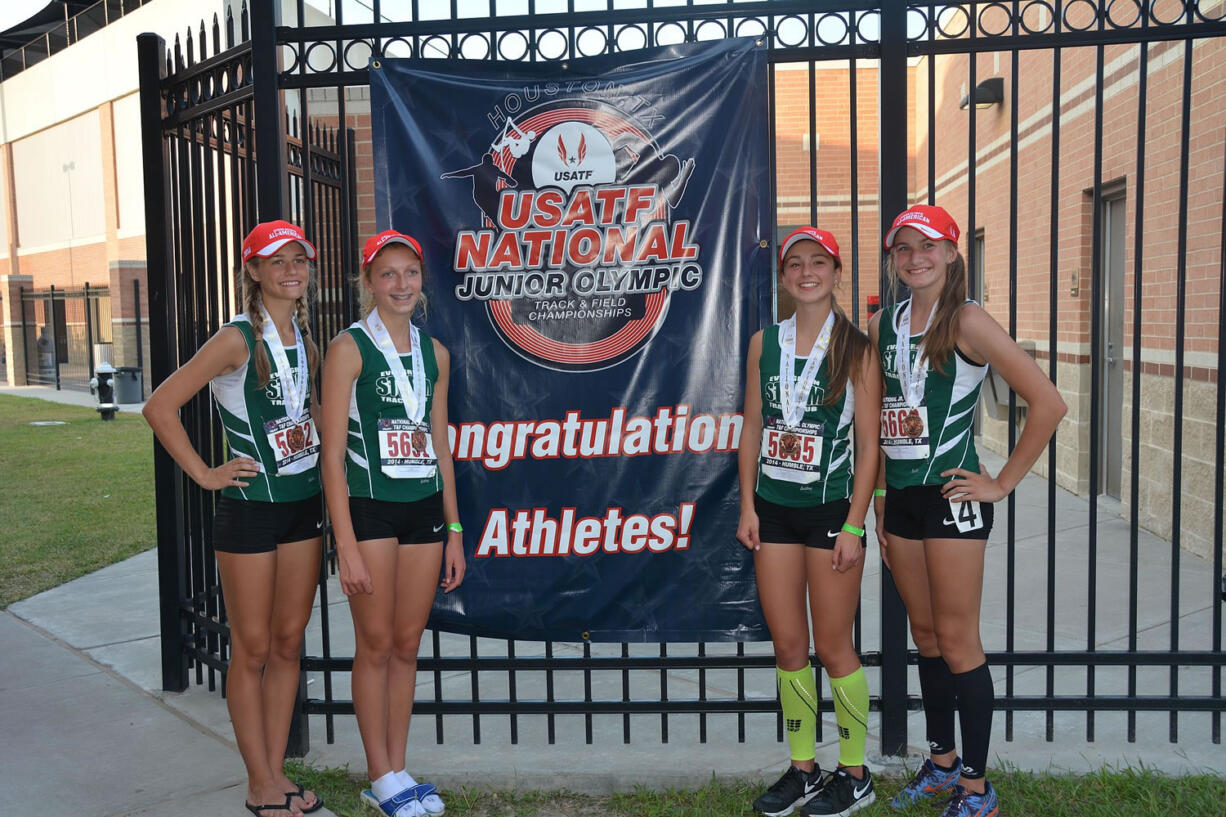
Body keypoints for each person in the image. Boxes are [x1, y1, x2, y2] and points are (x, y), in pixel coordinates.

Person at [871, 205, 1066, 817]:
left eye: (928, 246)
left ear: (953, 253)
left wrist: (1002, 482)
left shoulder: (968, 321)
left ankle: (977, 790)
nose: (915, 258)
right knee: (924, 635)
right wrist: (877, 501)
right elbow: (878, 422)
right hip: (901, 499)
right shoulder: (885, 324)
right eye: (903, 248)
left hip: (952, 498)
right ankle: (942, 762)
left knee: (957, 641)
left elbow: (1048, 402)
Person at [143, 221, 326, 817]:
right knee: (251, 649)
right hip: (249, 512)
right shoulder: (236, 339)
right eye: (277, 262)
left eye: (298, 260)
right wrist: (205, 473)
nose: (290, 271)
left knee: (288, 644)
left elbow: (313, 419)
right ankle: (258, 784)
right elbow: (159, 405)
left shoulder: (306, 339)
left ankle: (275, 775)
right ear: (252, 271)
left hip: (301, 509)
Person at [320, 230, 466, 817]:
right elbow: (331, 455)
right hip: (371, 511)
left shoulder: (436, 355)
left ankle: (398, 769)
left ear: (421, 281)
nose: (400, 284)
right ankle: (378, 775)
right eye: (388, 274)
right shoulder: (349, 348)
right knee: (375, 644)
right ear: (369, 282)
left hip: (425, 510)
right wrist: (345, 544)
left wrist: (454, 531)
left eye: (410, 273)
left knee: (407, 644)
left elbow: (440, 445)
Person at [738, 227, 882, 816]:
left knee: (833, 645)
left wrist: (854, 525)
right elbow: (752, 427)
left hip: (830, 513)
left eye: (817, 262)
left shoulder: (856, 348)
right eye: (794, 264)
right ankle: (804, 770)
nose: (805, 272)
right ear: (784, 276)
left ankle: (855, 773)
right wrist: (747, 504)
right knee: (789, 645)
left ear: (836, 272)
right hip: (772, 511)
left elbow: (870, 447)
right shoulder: (762, 343)